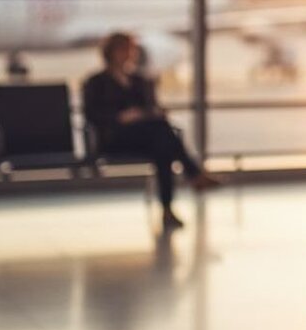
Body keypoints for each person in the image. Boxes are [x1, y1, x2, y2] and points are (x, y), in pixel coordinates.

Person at [82, 32, 220, 230]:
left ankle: (169, 207)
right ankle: (192, 175)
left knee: (162, 147)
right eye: (123, 50)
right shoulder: (96, 82)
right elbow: (92, 115)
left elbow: (151, 109)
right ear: (111, 52)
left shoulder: (139, 80)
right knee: (162, 136)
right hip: (114, 137)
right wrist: (119, 117)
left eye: (129, 50)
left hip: (144, 137)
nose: (127, 54)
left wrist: (146, 113)